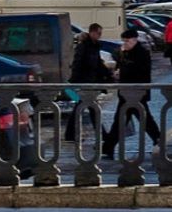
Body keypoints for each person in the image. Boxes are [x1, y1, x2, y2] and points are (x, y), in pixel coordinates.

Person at [102, 30, 161, 159]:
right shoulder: (125, 52)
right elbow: (118, 59)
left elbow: (137, 70)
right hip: (126, 92)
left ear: (134, 39)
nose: (125, 43)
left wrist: (121, 71)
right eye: (124, 41)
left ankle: (108, 148)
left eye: (127, 41)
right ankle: (108, 148)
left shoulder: (141, 53)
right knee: (125, 121)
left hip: (137, 92)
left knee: (143, 120)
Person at [65, 24, 113, 142]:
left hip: (90, 82)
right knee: (88, 109)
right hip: (84, 83)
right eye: (98, 33)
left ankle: (72, 134)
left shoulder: (94, 46)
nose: (100, 36)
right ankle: (101, 134)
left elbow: (98, 63)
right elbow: (78, 64)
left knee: (85, 109)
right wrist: (75, 82)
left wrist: (108, 74)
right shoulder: (84, 46)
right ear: (92, 32)